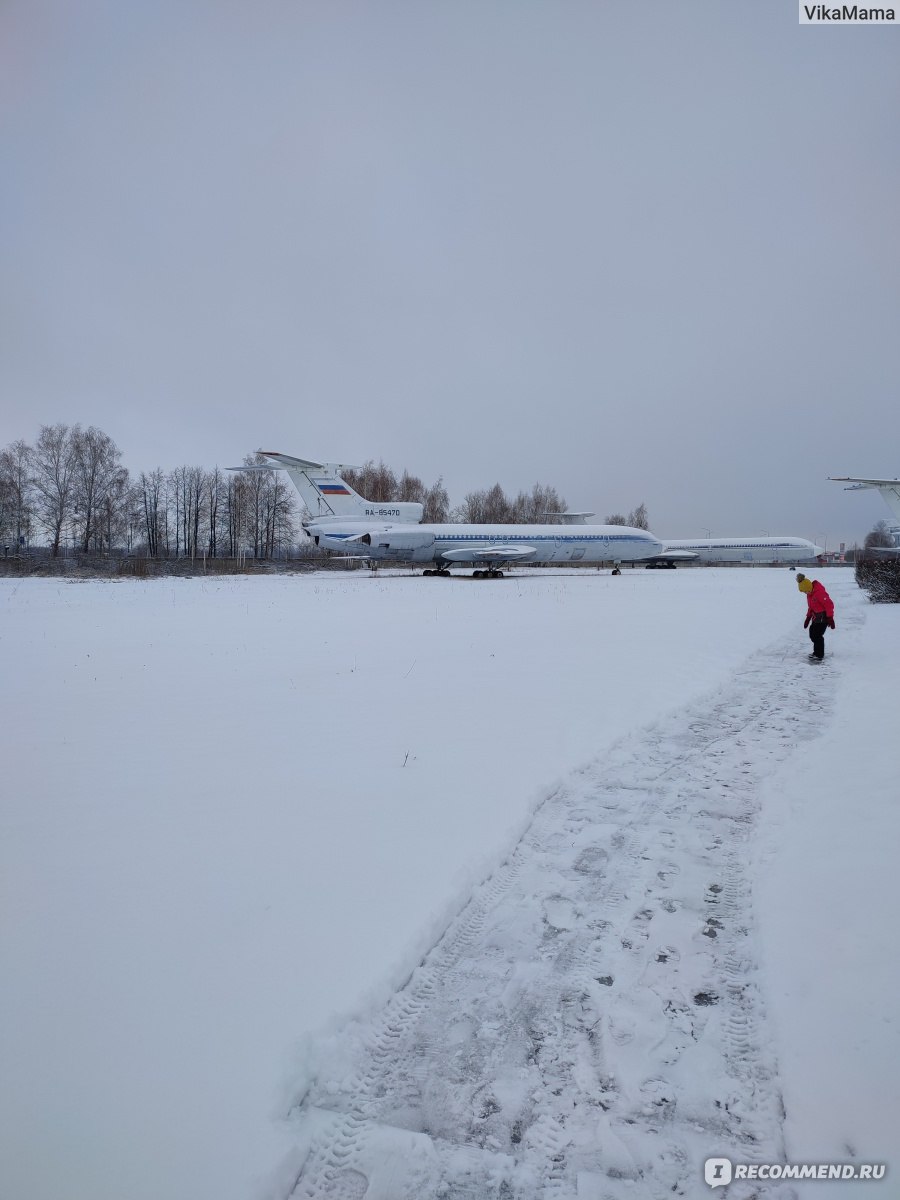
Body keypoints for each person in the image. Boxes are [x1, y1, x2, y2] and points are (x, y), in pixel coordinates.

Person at [796, 572, 835, 661]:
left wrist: (830, 618)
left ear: (809, 587)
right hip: (816, 618)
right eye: (804, 592)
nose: (805, 593)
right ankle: (816, 651)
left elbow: (829, 605)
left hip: (823, 617)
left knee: (817, 635)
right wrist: (808, 618)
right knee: (812, 633)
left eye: (806, 591)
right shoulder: (810, 595)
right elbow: (811, 607)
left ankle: (819, 654)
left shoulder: (819, 593)